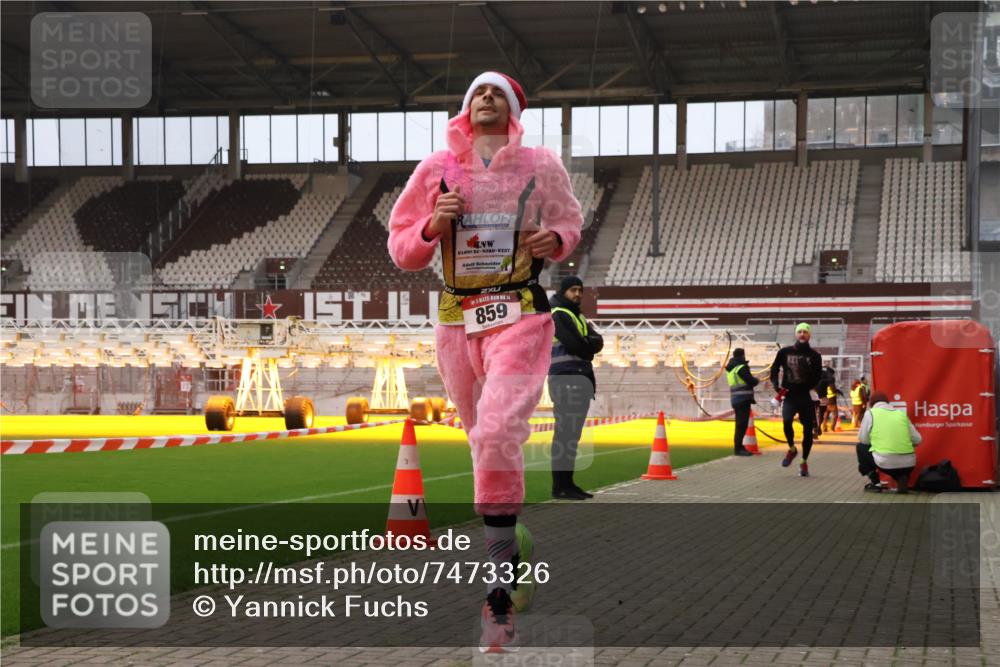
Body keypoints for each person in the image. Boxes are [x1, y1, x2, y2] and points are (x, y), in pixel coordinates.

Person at [388, 71, 582, 652]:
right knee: (483, 445)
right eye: (479, 91)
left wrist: (556, 240)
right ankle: (510, 540)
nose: (487, 97)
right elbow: (401, 245)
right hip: (456, 322)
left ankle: (497, 599)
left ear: (514, 110)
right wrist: (432, 224)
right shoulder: (436, 169)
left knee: (497, 433)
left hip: (519, 315)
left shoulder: (541, 164)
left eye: (498, 92)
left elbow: (569, 222)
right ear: (465, 109)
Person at [548, 275, 603, 499]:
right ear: (563, 291)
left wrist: (587, 345)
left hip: (579, 379)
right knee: (565, 435)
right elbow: (576, 345)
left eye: (580, 290)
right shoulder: (558, 313)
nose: (578, 294)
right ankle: (560, 487)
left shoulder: (577, 315)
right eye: (573, 290)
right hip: (565, 379)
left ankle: (568, 484)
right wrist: (588, 346)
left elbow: (597, 341)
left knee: (572, 436)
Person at [770, 322, 823, 477]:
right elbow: (774, 368)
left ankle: (804, 461)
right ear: (795, 334)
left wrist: (809, 387)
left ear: (809, 335)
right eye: (799, 331)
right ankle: (792, 449)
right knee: (787, 421)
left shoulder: (815, 356)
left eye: (805, 332)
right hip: (789, 396)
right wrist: (776, 385)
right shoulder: (784, 352)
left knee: (808, 431)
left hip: (805, 397)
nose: (802, 334)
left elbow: (818, 376)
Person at [856, 390, 923, 493]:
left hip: (885, 462)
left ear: (871, 404)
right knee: (898, 465)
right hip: (909, 463)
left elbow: (863, 439)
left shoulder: (870, 413)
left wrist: (876, 442)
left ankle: (876, 483)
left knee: (861, 447)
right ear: (888, 402)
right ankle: (901, 477)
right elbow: (918, 439)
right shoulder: (901, 414)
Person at [725, 348, 760, 456]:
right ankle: (739, 448)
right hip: (743, 399)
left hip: (736, 399)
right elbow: (751, 381)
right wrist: (757, 380)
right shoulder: (741, 368)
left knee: (739, 425)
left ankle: (739, 447)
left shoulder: (731, 370)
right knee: (742, 425)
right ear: (743, 355)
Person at [822, 367, 844, 432]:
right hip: (831, 400)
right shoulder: (830, 380)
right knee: (835, 414)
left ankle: (824, 427)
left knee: (826, 414)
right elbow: (833, 389)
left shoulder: (823, 378)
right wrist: (838, 391)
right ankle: (832, 428)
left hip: (825, 398)